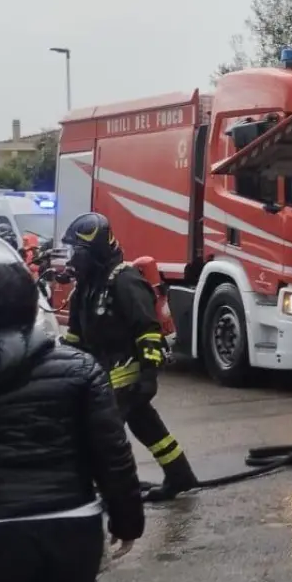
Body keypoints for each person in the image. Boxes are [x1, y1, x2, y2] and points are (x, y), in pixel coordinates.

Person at [0, 261, 145, 582]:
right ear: (34, 311)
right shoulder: (82, 369)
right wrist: (126, 520)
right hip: (71, 531)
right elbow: (112, 453)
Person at [61, 211, 200, 502]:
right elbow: (75, 339)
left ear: (96, 252)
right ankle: (180, 475)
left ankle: (100, 491)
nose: (72, 259)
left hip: (126, 375)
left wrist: (148, 376)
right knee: (146, 426)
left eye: (78, 252)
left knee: (102, 435)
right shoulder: (84, 289)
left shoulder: (124, 281)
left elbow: (147, 330)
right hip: (101, 376)